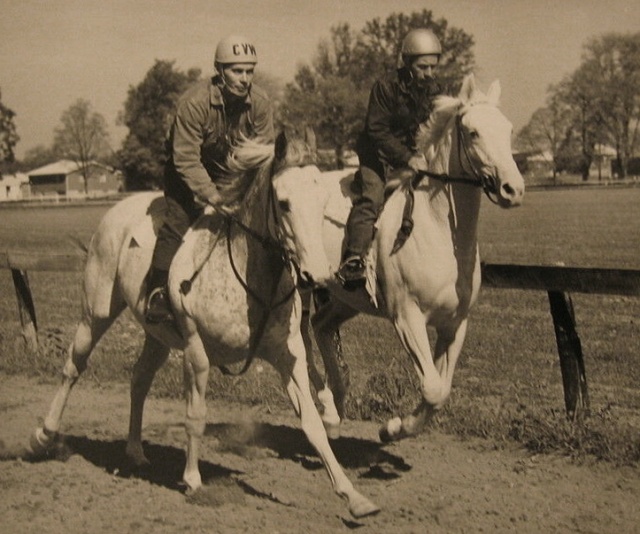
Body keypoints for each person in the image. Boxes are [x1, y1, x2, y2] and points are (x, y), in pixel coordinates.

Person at [145, 35, 274, 323]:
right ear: (219, 70)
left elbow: (264, 155)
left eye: (249, 71)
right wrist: (213, 197)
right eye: (237, 71)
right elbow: (185, 159)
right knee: (178, 221)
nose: (244, 78)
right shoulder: (194, 103)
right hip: (186, 172)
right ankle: (157, 291)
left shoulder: (261, 102)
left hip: (231, 173)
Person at [337, 28, 443, 289]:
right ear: (406, 63)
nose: (429, 73)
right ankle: (353, 259)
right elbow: (376, 130)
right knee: (372, 196)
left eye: (433, 67)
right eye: (422, 67)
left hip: (412, 156)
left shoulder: (436, 89)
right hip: (376, 155)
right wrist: (408, 157)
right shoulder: (385, 87)